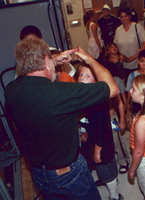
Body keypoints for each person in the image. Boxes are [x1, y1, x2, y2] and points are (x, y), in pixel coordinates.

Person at [5, 38, 119, 199]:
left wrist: (52, 60)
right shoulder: (62, 92)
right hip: (68, 174)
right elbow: (112, 88)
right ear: (46, 62)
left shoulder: (11, 90)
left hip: (38, 172)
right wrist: (88, 58)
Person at [76, 65, 124, 200]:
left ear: (96, 81)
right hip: (93, 140)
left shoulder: (97, 102)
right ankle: (107, 180)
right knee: (102, 168)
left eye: (88, 76)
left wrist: (97, 150)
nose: (83, 78)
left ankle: (114, 195)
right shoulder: (84, 97)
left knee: (106, 168)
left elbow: (101, 129)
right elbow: (88, 122)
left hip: (102, 144)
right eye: (81, 75)